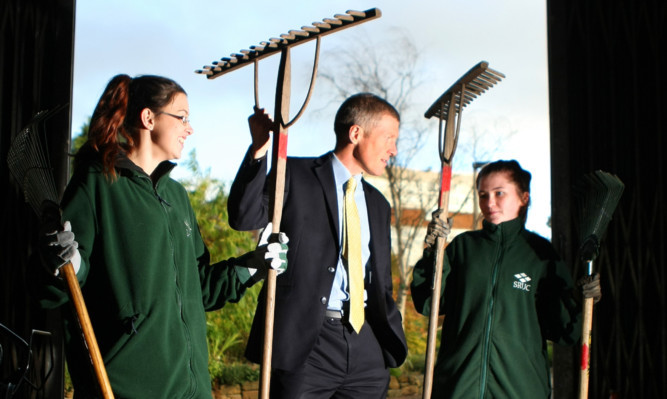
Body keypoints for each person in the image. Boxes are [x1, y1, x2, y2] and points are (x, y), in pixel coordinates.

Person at [38, 74, 288, 399]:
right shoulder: (97, 185)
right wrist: (61, 266)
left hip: (191, 389)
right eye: (182, 117)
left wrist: (252, 265)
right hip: (126, 388)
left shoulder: (177, 197)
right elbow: (61, 288)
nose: (190, 128)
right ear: (148, 118)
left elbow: (200, 290)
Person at [227, 93, 408, 398]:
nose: (394, 149)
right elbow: (245, 216)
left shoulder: (379, 204)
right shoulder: (294, 175)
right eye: (389, 138)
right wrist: (259, 149)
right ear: (356, 133)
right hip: (306, 345)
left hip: (366, 348)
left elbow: (382, 283)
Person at [411, 159, 602, 398]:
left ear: (523, 198)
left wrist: (582, 300)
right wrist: (433, 252)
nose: (489, 202)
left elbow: (566, 331)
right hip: (458, 387)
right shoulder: (463, 248)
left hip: (520, 389)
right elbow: (428, 303)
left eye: (499, 193)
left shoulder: (540, 254)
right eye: (483, 195)